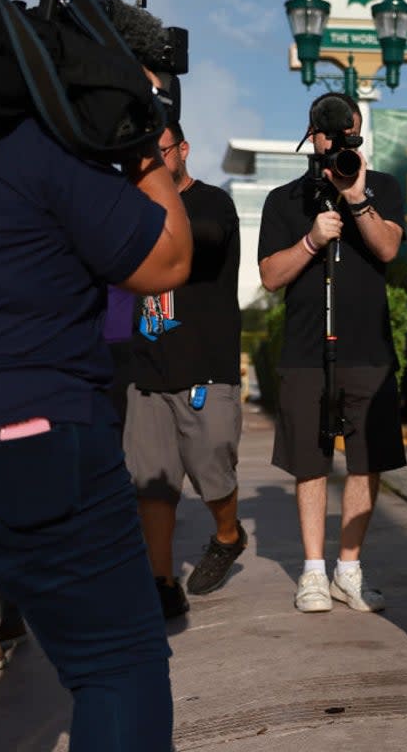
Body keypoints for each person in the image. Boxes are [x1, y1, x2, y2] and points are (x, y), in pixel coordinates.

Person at [0, 106, 192, 749]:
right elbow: (164, 263)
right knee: (116, 666)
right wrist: (139, 139)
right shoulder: (26, 144)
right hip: (32, 436)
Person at [258, 92, 407, 614]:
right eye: (328, 131)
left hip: (368, 350)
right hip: (304, 352)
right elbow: (271, 276)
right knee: (311, 464)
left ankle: (350, 569)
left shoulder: (383, 187)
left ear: (360, 134)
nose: (337, 139)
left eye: (348, 131)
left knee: (366, 464)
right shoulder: (284, 199)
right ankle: (314, 573)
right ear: (312, 135)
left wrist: (357, 196)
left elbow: (388, 248)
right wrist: (310, 240)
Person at [123, 121, 246, 619]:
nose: (150, 162)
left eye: (160, 152)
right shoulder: (128, 210)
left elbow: (207, 241)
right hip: (147, 368)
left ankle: (228, 535)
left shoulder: (211, 201)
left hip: (205, 366)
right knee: (151, 483)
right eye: (141, 156)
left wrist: (155, 200)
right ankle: (161, 581)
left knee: (212, 468)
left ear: (183, 151)